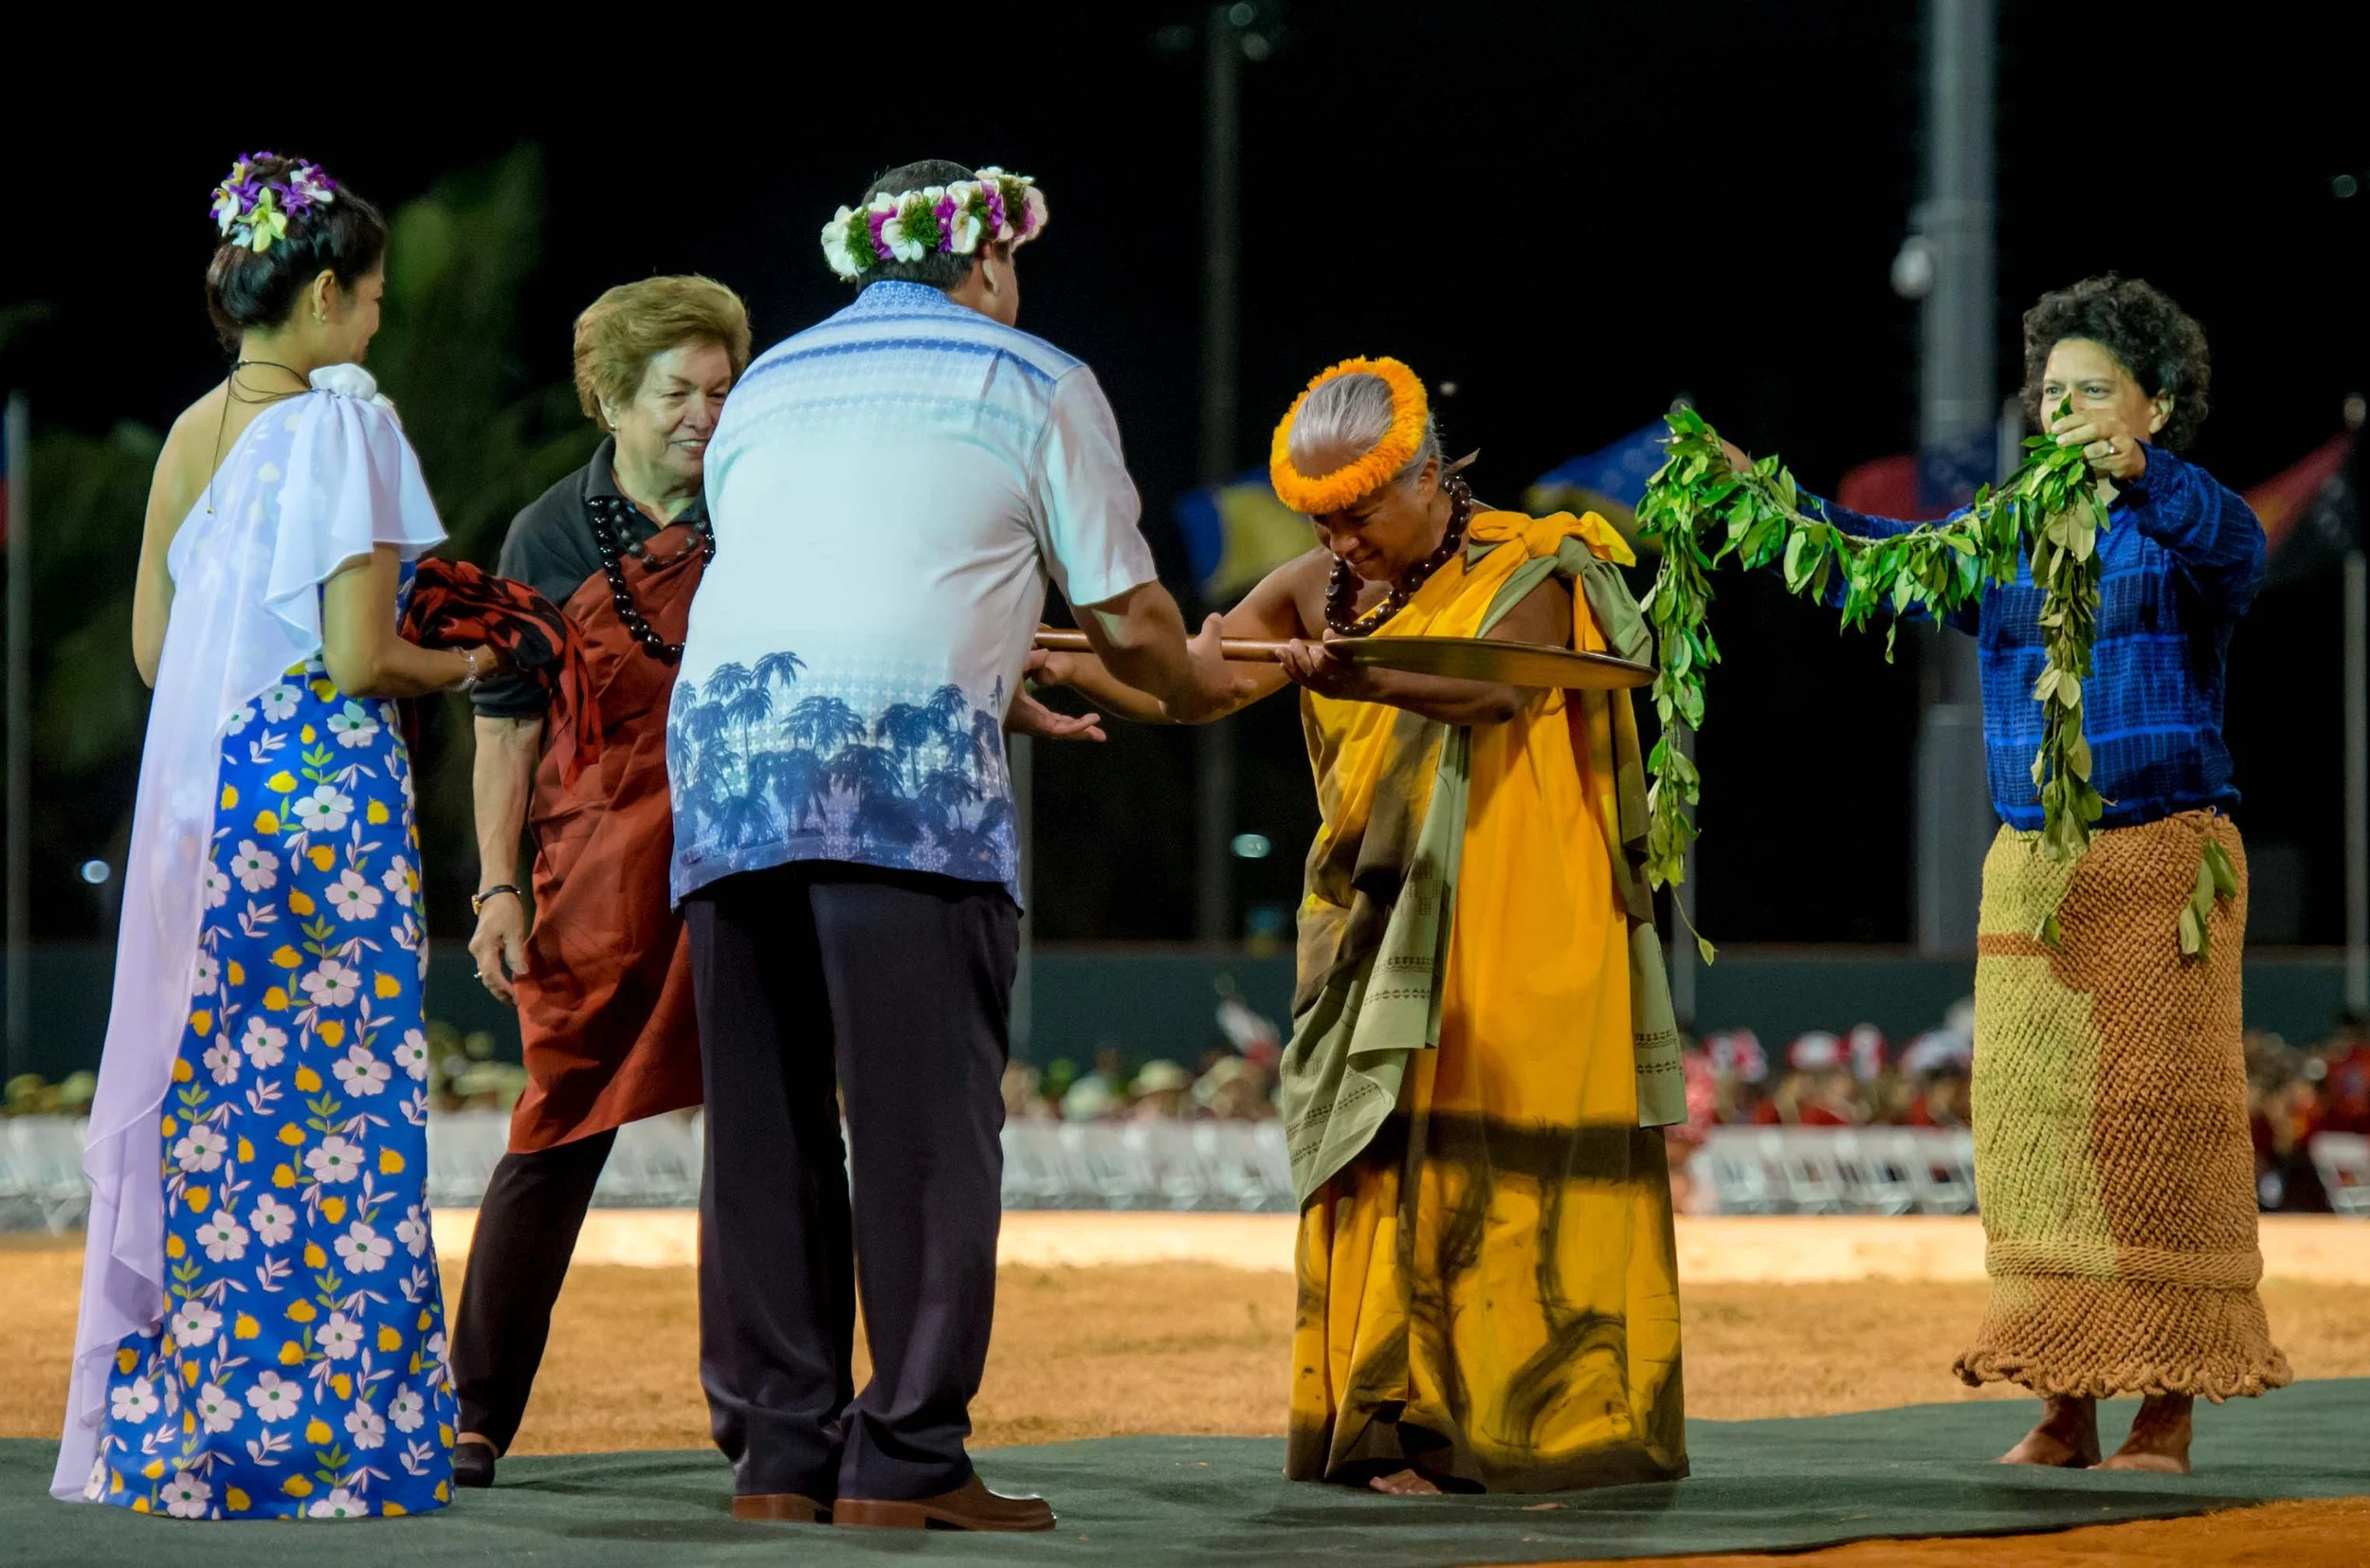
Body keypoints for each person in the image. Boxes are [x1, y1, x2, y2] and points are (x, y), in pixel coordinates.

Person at [667, 161, 1237, 1532]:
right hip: (904, 788)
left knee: (763, 1129)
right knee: (923, 1137)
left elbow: (821, 569)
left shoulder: (775, 381)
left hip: (732, 772)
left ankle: (779, 1461)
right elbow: (1133, 617)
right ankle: (906, 1454)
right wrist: (1205, 691)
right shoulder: (1032, 375)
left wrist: (992, 679)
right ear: (985, 260)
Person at [1035, 356, 1689, 1494]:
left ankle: (1517, 1428)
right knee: (1377, 1158)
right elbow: (1196, 685)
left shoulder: (1530, 563)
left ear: (1432, 473)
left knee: (1476, 1161)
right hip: (1376, 906)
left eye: (1360, 512)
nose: (1341, 539)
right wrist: (1054, 652)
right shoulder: (1308, 586)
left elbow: (1495, 691)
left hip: (1513, 919)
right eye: (1322, 519)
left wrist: (1353, 676)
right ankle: (1393, 1426)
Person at [1787, 275, 2284, 1472]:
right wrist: (1774, 506)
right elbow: (1894, 565)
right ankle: (2064, 1405)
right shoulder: (2005, 531)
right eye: (2051, 396)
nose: (2063, 414)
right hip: (2035, 878)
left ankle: (2165, 1403)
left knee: (2162, 1131)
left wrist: (2142, 480)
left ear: (2154, 405)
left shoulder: (2189, 521)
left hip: (2167, 861)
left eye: (2093, 394)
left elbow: (2239, 554)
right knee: (2036, 1138)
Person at [57, 154, 491, 1517]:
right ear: (318, 294)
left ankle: (206, 1429)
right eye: (367, 302)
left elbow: (149, 647)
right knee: (345, 1118)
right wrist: (460, 667)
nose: (372, 327)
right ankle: (338, 1438)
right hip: (325, 805)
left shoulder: (192, 430)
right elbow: (363, 659)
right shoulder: (346, 422)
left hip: (211, 809)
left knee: (227, 1120)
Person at [445, 277, 748, 1487]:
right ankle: (475, 1411)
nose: (704, 415)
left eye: (722, 389)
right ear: (609, 398)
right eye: (677, 391)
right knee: (555, 1125)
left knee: (766, 1136)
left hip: (742, 854)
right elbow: (507, 729)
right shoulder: (545, 537)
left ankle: (777, 1416)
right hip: (599, 871)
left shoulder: (760, 506)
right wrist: (497, 889)